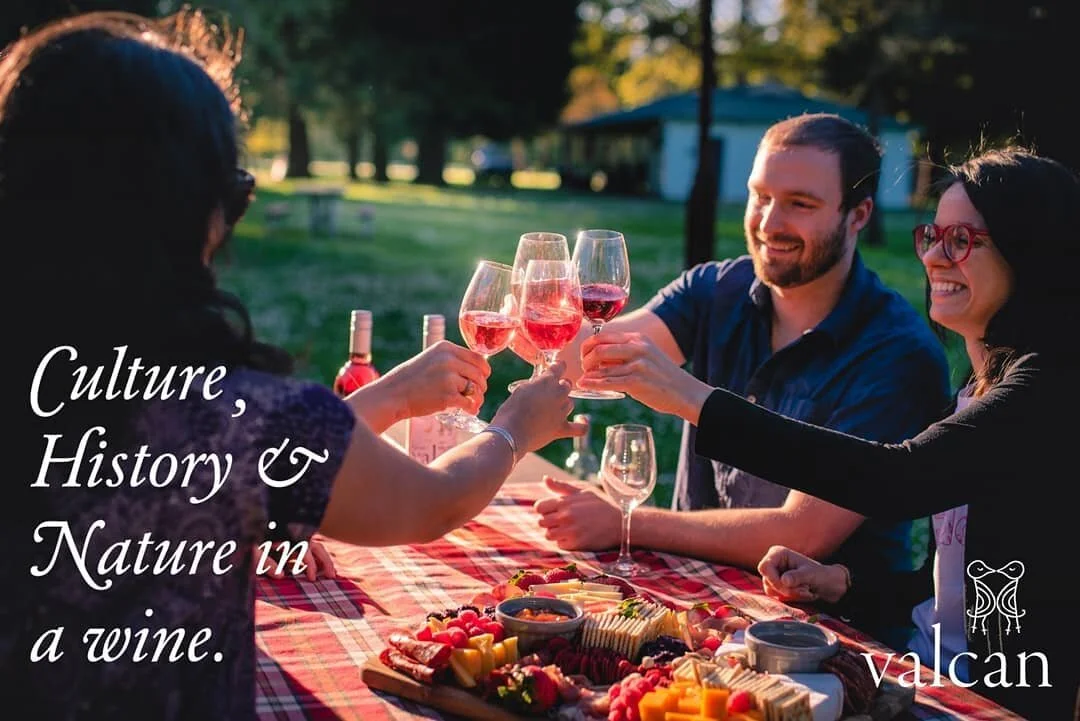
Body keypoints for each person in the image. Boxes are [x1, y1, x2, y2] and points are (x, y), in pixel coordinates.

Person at [7, 10, 584, 720]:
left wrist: (393, 395)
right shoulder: (230, 414)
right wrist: (513, 430)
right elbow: (426, 500)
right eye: (235, 195)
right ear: (192, 209)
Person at [579, 146, 1080, 719]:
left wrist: (694, 400)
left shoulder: (1052, 391)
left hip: (989, 699)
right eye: (932, 235)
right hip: (914, 672)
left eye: (962, 240)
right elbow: (950, 584)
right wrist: (844, 584)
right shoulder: (979, 384)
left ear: (1031, 253)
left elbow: (899, 477)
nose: (937, 258)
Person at [535, 112, 951, 648]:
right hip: (698, 606)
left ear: (858, 215)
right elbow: (590, 356)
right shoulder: (717, 288)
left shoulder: (896, 352)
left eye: (800, 203)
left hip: (830, 639)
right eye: (760, 196)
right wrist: (540, 324)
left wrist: (624, 523)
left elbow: (803, 533)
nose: (769, 222)